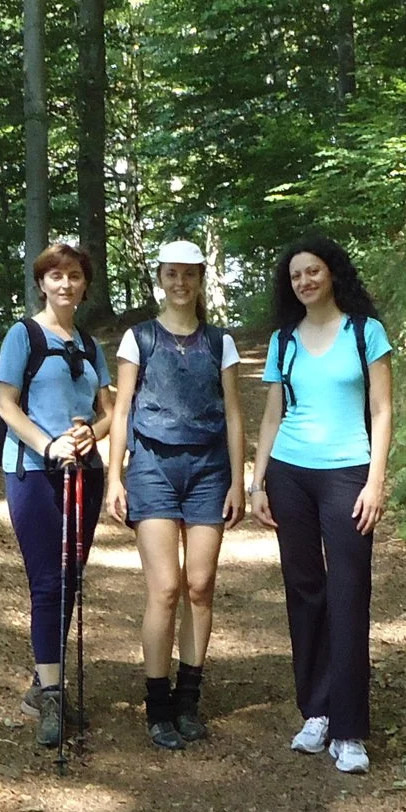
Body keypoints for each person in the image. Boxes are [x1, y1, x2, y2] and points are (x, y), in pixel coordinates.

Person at [252, 236, 393, 774]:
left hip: (347, 474)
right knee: (304, 590)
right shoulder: (284, 339)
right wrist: (258, 482)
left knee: (349, 591)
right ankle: (316, 711)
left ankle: (351, 728)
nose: (305, 281)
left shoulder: (365, 332)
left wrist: (375, 481)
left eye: (313, 271)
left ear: (332, 273)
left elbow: (381, 411)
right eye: (295, 276)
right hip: (290, 473)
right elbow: (272, 415)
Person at [105, 241, 247, 751]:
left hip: (209, 470)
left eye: (189, 275)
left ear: (200, 280)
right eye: (171, 274)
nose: (180, 283)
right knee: (165, 588)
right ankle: (157, 702)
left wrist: (238, 479)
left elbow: (233, 412)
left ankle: (190, 698)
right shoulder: (137, 339)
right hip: (153, 469)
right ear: (159, 279)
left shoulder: (219, 342)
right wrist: (114, 477)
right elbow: (120, 411)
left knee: (201, 586)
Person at [0, 242, 113, 748]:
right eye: (55, 276)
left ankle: (44, 681)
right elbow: (5, 404)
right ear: (42, 283)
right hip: (32, 473)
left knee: (69, 581)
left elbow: (109, 410)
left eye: (74, 276)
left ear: (85, 284)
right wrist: (49, 443)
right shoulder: (23, 335)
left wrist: (92, 434)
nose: (65, 284)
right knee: (47, 583)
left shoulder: (90, 345)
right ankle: (52, 694)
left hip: (84, 473)